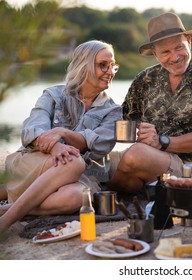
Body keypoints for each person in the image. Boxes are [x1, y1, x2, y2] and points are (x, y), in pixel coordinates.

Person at [0, 40, 122, 234]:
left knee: (79, 197)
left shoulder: (113, 111)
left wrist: (63, 133)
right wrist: (56, 147)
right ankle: (6, 221)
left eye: (112, 65)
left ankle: (9, 208)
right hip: (34, 163)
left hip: (81, 176)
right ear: (83, 66)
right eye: (102, 65)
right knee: (74, 162)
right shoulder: (53, 94)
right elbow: (32, 129)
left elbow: (100, 144)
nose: (110, 71)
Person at [107, 12, 192, 193]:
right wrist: (139, 133)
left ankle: (104, 198)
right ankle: (118, 198)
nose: (174, 57)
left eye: (178, 47)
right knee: (94, 163)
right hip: (149, 160)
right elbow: (124, 127)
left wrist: (161, 142)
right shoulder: (145, 79)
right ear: (155, 54)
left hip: (191, 169)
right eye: (165, 52)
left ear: (188, 41)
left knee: (135, 155)